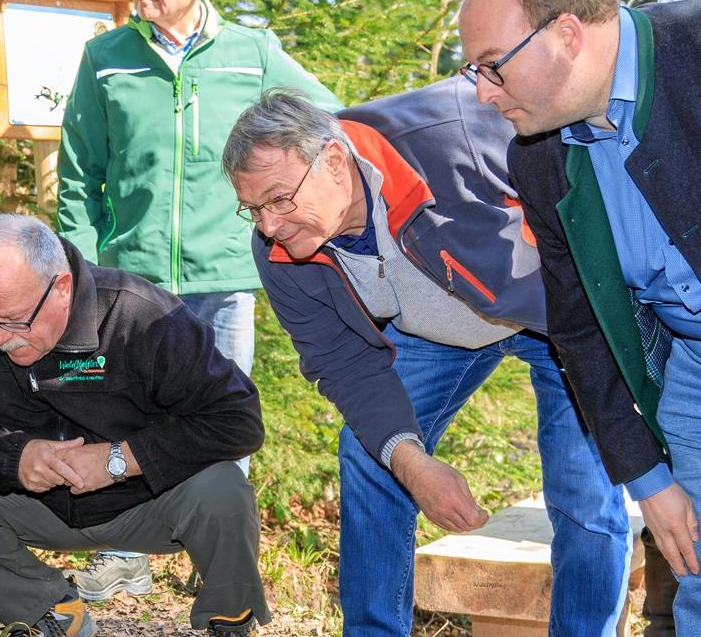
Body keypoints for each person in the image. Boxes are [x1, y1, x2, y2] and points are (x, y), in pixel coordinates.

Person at [221, 84, 633, 636]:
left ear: (336, 162)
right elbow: (342, 361)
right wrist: (414, 464)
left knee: (584, 487)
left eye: (278, 200)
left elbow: (587, 191)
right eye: (253, 209)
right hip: (433, 327)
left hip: (557, 315)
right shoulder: (278, 244)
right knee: (376, 454)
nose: (268, 225)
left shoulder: (452, 141)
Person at [56, 0, 341, 599]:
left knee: (222, 421)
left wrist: (293, 212)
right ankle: (125, 553)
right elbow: (77, 177)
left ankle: (219, 558)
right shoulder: (108, 58)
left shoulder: (254, 53)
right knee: (122, 416)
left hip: (224, 277)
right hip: (131, 281)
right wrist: (82, 274)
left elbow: (332, 121)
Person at [458, 0, 700, 632]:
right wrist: (646, 479)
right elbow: (580, 325)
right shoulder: (538, 158)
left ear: (567, 34)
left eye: (492, 63)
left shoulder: (693, 52)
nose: (483, 91)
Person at [0, 214, 266, 637]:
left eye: (15, 321)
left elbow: (239, 418)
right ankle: (50, 612)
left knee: (223, 489)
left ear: (61, 288)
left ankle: (231, 618)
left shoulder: (139, 314)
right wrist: (13, 457)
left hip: (148, 503)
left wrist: (120, 459)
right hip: (32, 505)